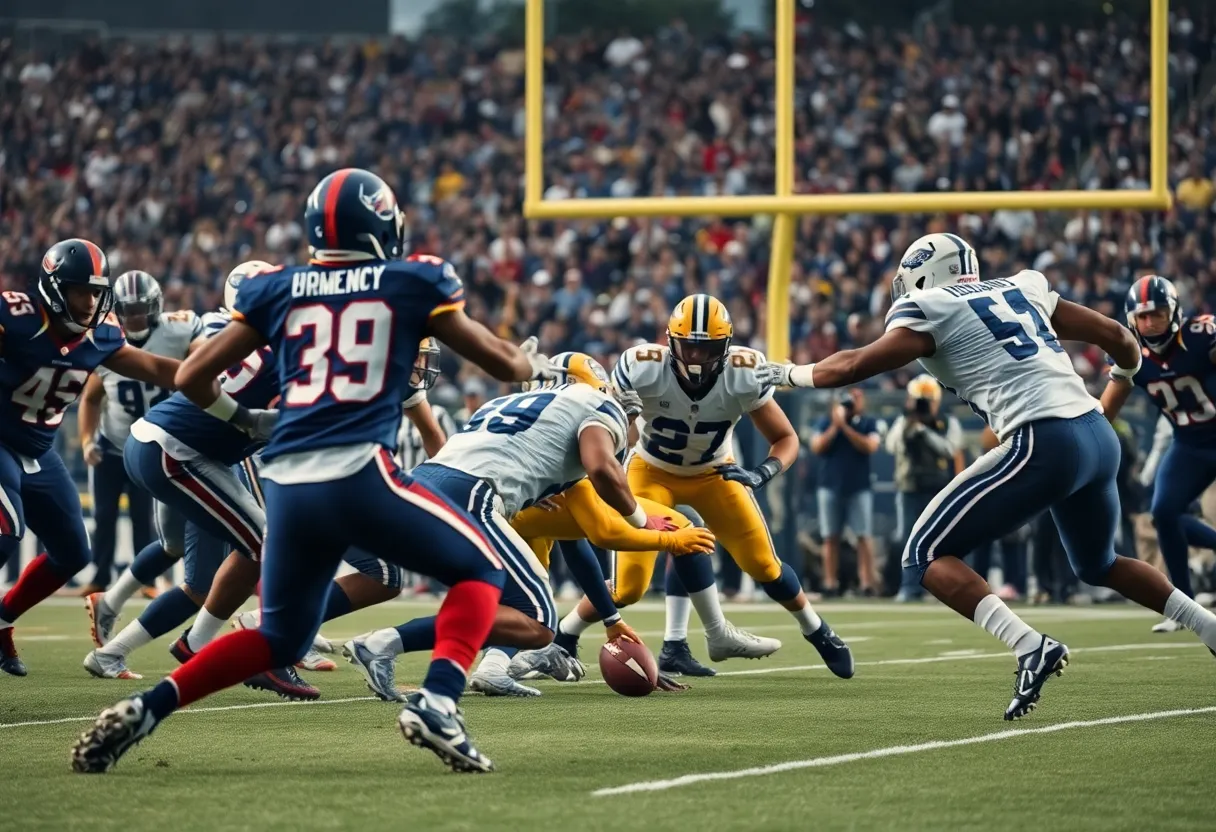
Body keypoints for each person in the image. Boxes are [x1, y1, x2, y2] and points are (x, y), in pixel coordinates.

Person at [71, 168, 553, 774]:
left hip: (287, 482)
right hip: (358, 472)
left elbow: (191, 376)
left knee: (280, 636)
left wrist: (244, 419)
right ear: (381, 225)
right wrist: (528, 364)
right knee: (480, 569)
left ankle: (147, 708)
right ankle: (438, 702)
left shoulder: (278, 287)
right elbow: (503, 364)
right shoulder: (412, 279)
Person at [758, 232, 1216, 720]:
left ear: (925, 274)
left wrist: (784, 373)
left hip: (1042, 439)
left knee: (923, 554)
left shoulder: (931, 305)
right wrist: (1122, 379)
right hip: (1097, 436)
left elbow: (849, 366)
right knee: (1098, 563)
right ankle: (1208, 625)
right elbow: (1120, 338)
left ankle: (1030, 646)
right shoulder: (1023, 285)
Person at [346, 352, 699, 698]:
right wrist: (646, 522)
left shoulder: (509, 407)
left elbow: (573, 542)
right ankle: (384, 643)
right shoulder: (596, 404)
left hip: (422, 484)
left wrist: (610, 620)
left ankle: (480, 663)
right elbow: (602, 474)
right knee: (538, 620)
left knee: (503, 603)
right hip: (470, 496)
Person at [567, 294, 854, 678]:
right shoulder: (641, 367)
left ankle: (816, 629)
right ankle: (564, 636)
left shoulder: (744, 372)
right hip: (651, 471)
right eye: (689, 346)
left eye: (708, 349)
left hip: (715, 473)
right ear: (670, 341)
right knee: (629, 586)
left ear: (727, 346)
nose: (697, 358)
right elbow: (610, 435)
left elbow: (786, 438)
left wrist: (763, 473)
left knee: (764, 565)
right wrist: (625, 418)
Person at [0, 239, 181, 677]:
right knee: (7, 530)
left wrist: (215, 381)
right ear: (54, 287)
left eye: (98, 293)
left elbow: (156, 369)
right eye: (81, 291)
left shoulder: (101, 336)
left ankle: (2, 621)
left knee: (72, 553)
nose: (91, 302)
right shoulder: (16, 317)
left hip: (39, 450)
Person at [1098, 275, 1216, 631]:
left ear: (1174, 312)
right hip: (1189, 443)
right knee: (1163, 513)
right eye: (1142, 316)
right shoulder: (1130, 351)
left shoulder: (1201, 335)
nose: (1150, 323)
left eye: (1158, 314)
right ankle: (1185, 607)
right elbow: (1107, 408)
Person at [77, 271, 205, 596]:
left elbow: (203, 354)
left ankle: (147, 580)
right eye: (127, 310)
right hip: (112, 444)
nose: (133, 317)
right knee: (103, 515)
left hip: (153, 446)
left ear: (154, 307)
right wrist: (87, 440)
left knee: (144, 518)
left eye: (139, 310)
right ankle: (99, 577)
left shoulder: (178, 330)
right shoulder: (106, 339)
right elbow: (91, 398)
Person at [885, 374, 964, 601]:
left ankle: (939, 589)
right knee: (907, 539)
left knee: (939, 541)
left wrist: (924, 431)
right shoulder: (904, 421)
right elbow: (891, 445)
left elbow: (949, 449)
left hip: (938, 488)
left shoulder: (947, 421)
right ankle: (909, 587)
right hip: (909, 486)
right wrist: (909, 421)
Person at [810, 387, 881, 596]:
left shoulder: (868, 423)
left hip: (859, 487)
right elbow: (817, 446)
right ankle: (830, 583)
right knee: (830, 537)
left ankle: (866, 583)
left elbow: (870, 446)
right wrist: (836, 425)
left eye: (856, 398)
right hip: (830, 486)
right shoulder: (826, 422)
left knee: (863, 536)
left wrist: (846, 428)